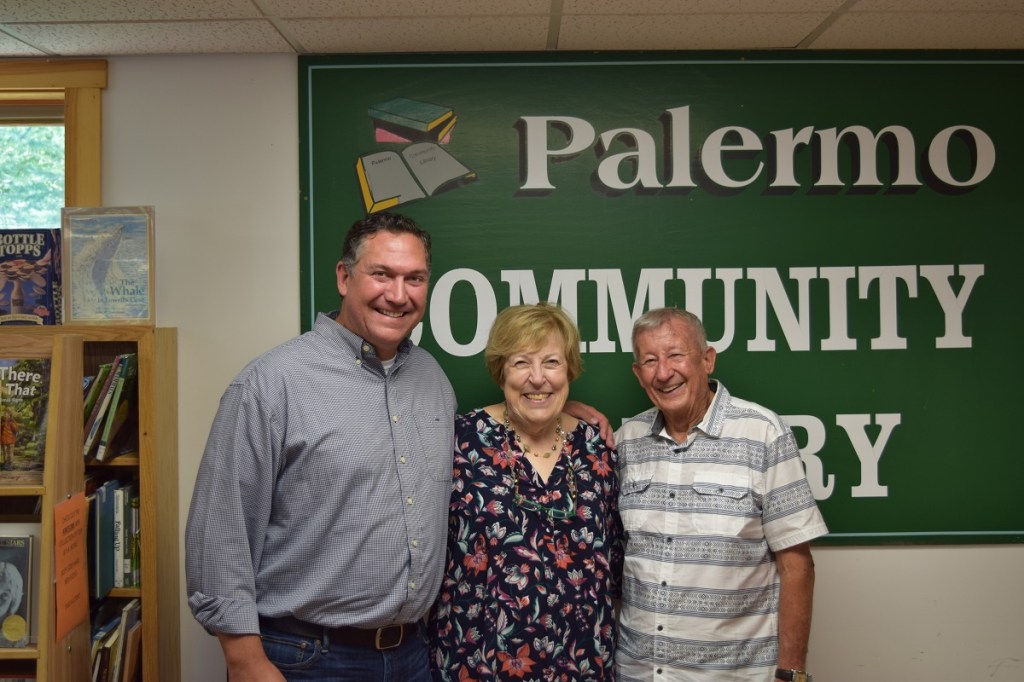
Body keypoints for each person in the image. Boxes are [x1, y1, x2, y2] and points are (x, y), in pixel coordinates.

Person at [185, 213, 610, 682]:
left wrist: (556, 408)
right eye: (382, 274)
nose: (398, 294)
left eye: (415, 279)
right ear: (344, 277)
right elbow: (219, 535)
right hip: (307, 657)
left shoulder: (431, 380)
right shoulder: (272, 384)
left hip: (412, 656)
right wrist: (245, 661)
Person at [614, 308, 827, 682]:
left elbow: (797, 566)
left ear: (707, 359)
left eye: (676, 355)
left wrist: (792, 673)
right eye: (650, 361)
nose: (664, 372)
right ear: (638, 373)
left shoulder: (764, 434)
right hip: (637, 673)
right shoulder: (626, 441)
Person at [428, 303, 623, 682]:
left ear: (569, 370)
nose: (538, 378)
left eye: (551, 362)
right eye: (521, 363)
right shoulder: (460, 442)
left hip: (581, 665)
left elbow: (613, 568)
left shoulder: (596, 448)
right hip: (478, 664)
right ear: (501, 370)